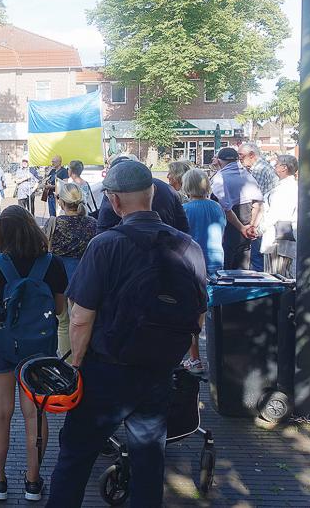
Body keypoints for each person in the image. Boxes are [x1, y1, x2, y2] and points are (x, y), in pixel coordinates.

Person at [47, 160, 208, 508]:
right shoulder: (188, 246)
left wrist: (76, 364)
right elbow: (198, 316)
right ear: (151, 194)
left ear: (115, 202)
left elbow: (79, 317)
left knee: (75, 457)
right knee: (149, 460)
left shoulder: (106, 244)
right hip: (158, 372)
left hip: (105, 369)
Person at [0, 205, 67, 502]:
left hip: (0, 345)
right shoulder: (51, 263)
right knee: (36, 415)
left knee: (0, 414)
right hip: (38, 350)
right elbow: (61, 308)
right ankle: (33, 480)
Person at [180, 169, 226, 374]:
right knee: (213, 311)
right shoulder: (216, 207)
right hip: (216, 260)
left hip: (192, 264)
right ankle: (219, 355)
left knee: (192, 312)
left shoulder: (185, 210)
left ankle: (195, 358)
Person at [45, 182, 98, 354]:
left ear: (61, 202)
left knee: (63, 322)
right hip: (84, 278)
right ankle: (81, 356)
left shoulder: (55, 223)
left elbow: (45, 250)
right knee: (83, 320)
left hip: (59, 278)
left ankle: (67, 364)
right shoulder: (92, 223)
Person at [96, 156, 189, 234]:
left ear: (115, 200)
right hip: (171, 247)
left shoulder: (113, 190)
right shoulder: (168, 189)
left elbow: (103, 227)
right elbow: (183, 226)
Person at [210, 147, 263, 270]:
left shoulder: (219, 178)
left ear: (219, 161)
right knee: (243, 266)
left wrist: (242, 228)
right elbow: (258, 204)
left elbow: (226, 209)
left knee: (227, 267)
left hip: (229, 228)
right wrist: (252, 226)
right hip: (247, 226)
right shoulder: (248, 176)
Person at [238, 144, 278, 270]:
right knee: (258, 257)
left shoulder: (258, 170)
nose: (239, 159)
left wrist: (252, 224)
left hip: (261, 220)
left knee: (257, 258)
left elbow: (255, 199)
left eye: (241, 156)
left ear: (251, 155)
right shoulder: (263, 166)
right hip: (265, 218)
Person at [259, 155, 299, 278]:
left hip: (276, 235)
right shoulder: (289, 186)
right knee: (282, 272)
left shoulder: (284, 188)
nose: (274, 167)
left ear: (284, 168)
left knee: (275, 275)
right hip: (284, 233)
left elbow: (275, 213)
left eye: (276, 165)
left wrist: (260, 228)